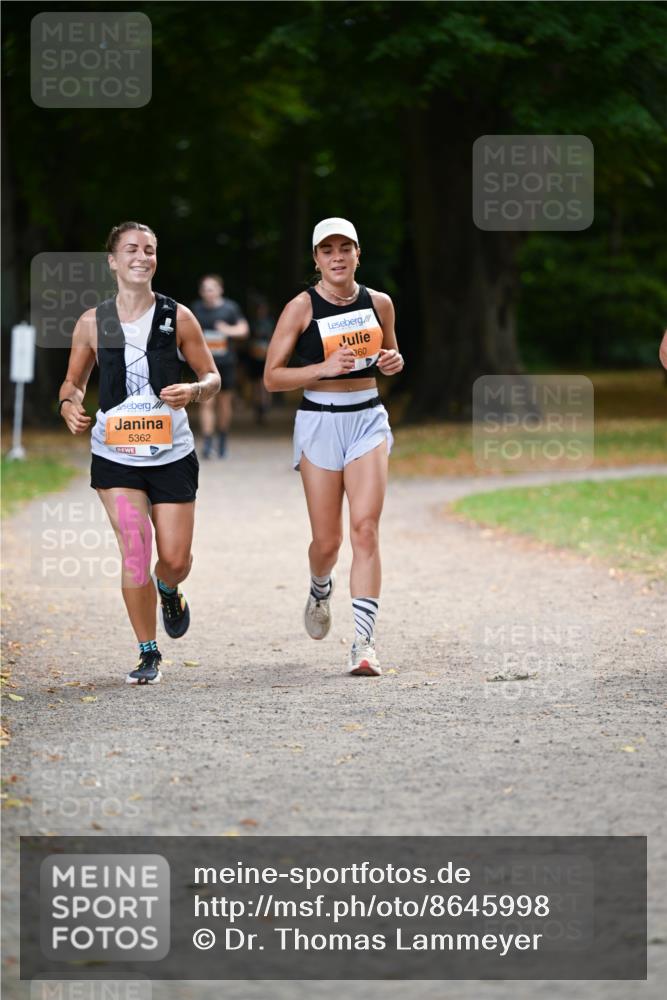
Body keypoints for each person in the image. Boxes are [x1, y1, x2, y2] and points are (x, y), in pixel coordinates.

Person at [58, 222, 221, 685]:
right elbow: (73, 383)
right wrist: (68, 404)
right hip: (116, 456)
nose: (141, 256)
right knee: (135, 551)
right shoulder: (92, 322)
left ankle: (168, 587)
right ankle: (148, 651)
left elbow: (212, 377)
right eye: (131, 249)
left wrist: (194, 390)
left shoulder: (178, 316)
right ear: (113, 261)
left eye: (149, 249)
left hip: (172, 454)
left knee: (175, 559)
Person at [263, 217, 404, 676]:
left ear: (358, 254)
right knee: (328, 542)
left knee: (365, 529)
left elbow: (389, 358)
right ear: (316, 258)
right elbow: (272, 377)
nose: (337, 257)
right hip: (320, 421)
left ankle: (364, 644)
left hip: (367, 420)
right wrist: (321, 369)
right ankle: (320, 586)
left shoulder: (379, 303)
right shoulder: (301, 307)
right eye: (327, 250)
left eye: (345, 248)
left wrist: (393, 361)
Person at [191, 275, 249, 457]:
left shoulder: (230, 308)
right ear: (201, 292)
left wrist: (227, 330)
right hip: (204, 364)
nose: (208, 292)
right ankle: (208, 442)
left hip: (226, 363)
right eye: (205, 289)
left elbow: (244, 330)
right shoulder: (196, 309)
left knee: (224, 403)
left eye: (212, 288)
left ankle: (222, 438)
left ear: (220, 290)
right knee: (206, 402)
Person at [245, 297, 275, 423]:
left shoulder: (270, 322)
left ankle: (264, 409)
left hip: (267, 356)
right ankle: (258, 409)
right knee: (256, 385)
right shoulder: (252, 323)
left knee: (264, 384)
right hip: (254, 356)